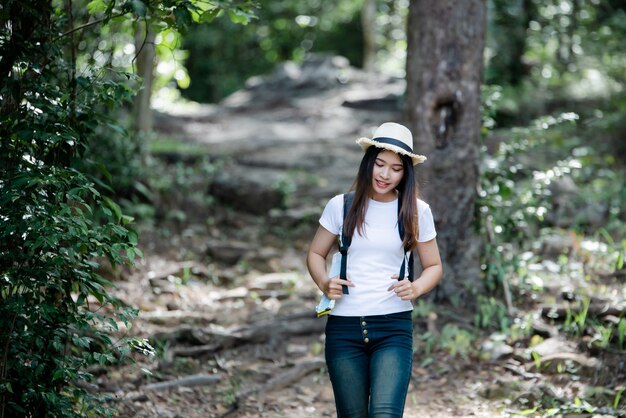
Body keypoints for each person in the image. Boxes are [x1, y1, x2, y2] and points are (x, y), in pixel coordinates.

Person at [306, 122, 443, 417]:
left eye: (395, 168)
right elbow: (316, 253)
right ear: (369, 162)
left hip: (393, 326)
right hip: (344, 327)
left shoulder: (417, 211)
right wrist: (323, 281)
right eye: (380, 164)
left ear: (406, 172)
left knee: (384, 413)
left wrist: (416, 287)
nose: (385, 174)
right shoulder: (340, 205)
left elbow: (433, 266)